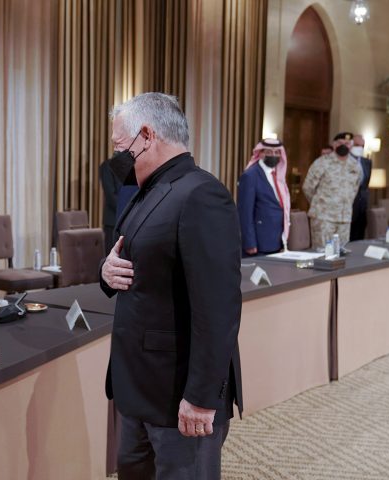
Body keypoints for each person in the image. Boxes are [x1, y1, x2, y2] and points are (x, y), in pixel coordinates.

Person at [100, 93, 242, 479]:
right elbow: (125, 252)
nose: (117, 157)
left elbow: (218, 309)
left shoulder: (202, 194)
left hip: (178, 395)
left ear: (147, 135)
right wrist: (106, 271)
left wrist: (201, 398)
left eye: (120, 147)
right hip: (138, 388)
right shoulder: (146, 189)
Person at [303, 132, 362, 248]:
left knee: (342, 253)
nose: (343, 145)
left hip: (344, 219)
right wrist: (320, 203)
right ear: (334, 145)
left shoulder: (355, 165)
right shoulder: (322, 162)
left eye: (347, 143)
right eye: (340, 143)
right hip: (323, 218)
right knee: (322, 253)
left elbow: (355, 189)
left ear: (351, 145)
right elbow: (308, 187)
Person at [237, 139, 291, 255]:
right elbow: (245, 212)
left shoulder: (278, 175)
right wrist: (250, 243)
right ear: (260, 153)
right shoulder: (250, 175)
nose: (274, 155)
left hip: (277, 241)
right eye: (269, 152)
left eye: (277, 152)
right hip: (259, 243)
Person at [349, 134, 372, 241]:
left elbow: (366, 184)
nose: (360, 148)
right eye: (357, 145)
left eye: (362, 146)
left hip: (362, 204)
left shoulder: (367, 162)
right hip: (349, 205)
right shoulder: (346, 160)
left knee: (360, 235)